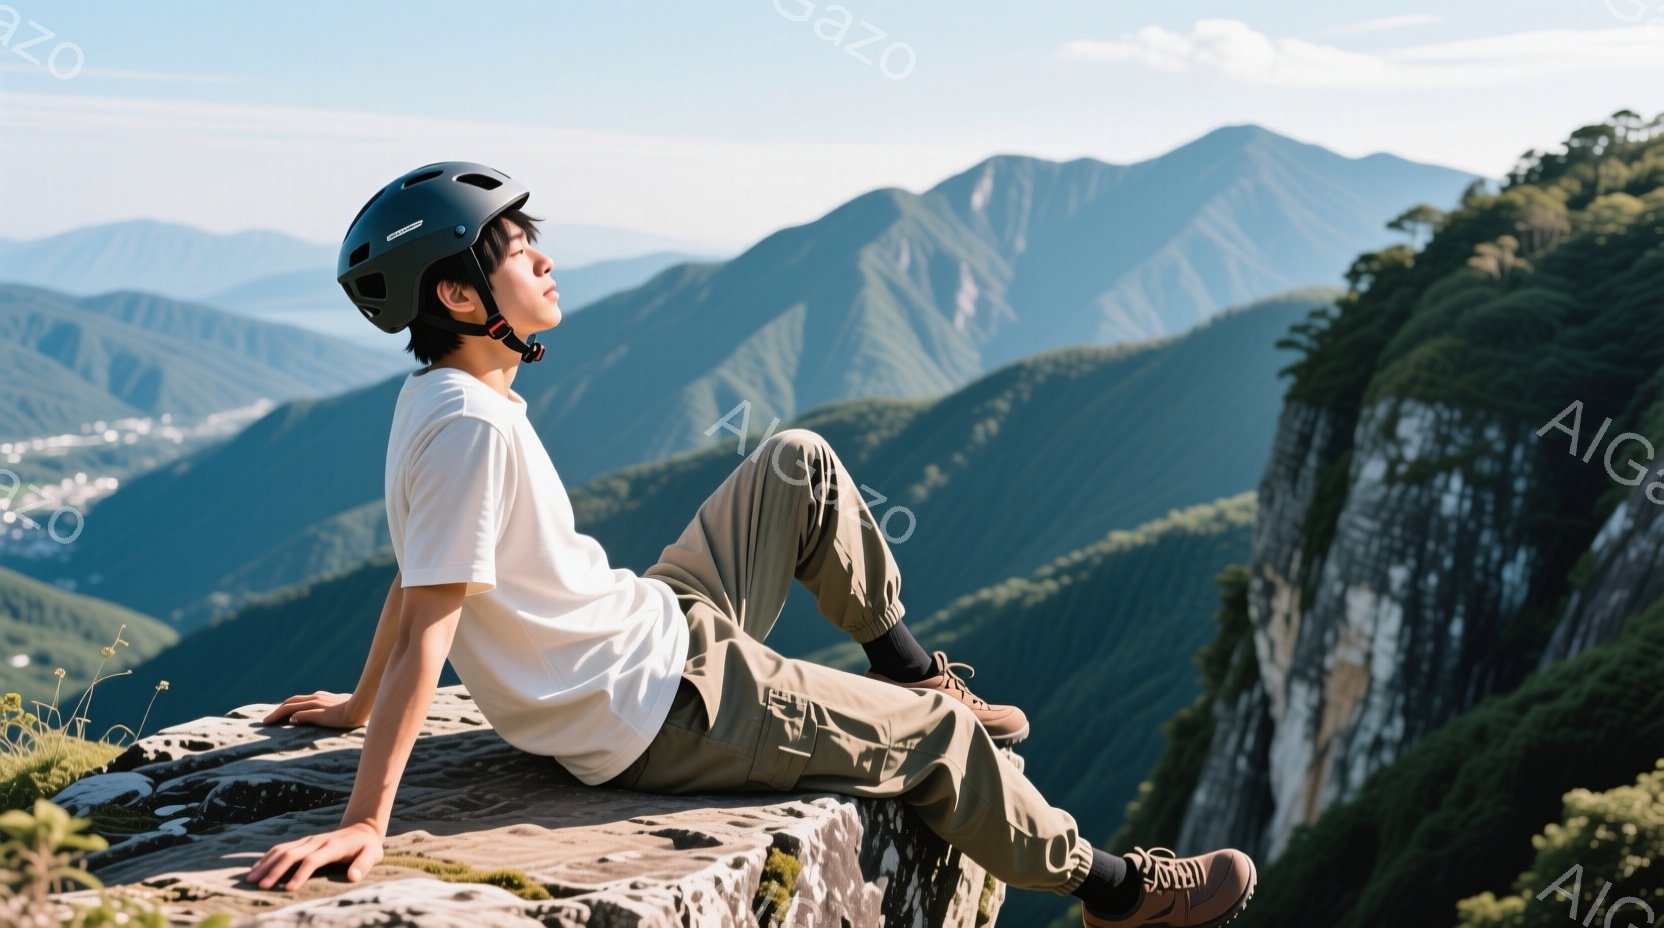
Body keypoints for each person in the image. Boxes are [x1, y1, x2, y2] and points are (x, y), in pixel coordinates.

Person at [244, 161, 1257, 927]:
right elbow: (431, 613)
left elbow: (416, 575)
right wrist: (371, 817)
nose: (543, 257)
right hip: (658, 707)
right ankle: (1118, 891)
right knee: (946, 750)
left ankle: (911, 675)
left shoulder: (438, 399)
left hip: (649, 624)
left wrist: (355, 703)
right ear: (461, 298)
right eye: (514, 248)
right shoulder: (468, 424)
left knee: (795, 462)